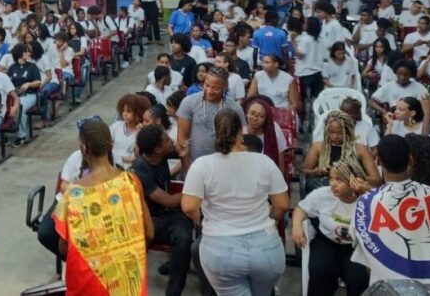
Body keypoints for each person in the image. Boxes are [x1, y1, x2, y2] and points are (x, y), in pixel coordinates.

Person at [181, 108, 289, 296]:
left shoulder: (202, 165)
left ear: (215, 132)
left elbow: (189, 206)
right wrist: (268, 220)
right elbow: (282, 204)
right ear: (242, 131)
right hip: (266, 248)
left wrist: (200, 220)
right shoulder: (263, 162)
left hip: (221, 251)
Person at [350, 135, 430, 293]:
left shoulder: (367, 201)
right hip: (429, 288)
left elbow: (365, 249)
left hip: (387, 288)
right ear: (410, 160)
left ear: (378, 161)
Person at [54, 119, 153, 296]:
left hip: (90, 283)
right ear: (110, 145)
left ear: (84, 148)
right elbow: (149, 233)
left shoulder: (73, 195)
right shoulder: (131, 182)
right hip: (129, 281)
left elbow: (63, 248)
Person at [291, 157, 369, 296]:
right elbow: (301, 209)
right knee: (320, 273)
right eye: (331, 178)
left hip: (356, 247)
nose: (332, 184)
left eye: (339, 180)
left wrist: (367, 191)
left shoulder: (368, 200)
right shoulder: (323, 194)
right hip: (327, 242)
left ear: (354, 181)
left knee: (359, 280)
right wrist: (296, 227)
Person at [132, 124, 192, 296]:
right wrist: (192, 191)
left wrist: (184, 156)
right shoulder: (140, 170)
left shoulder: (161, 153)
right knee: (183, 237)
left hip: (167, 213)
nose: (171, 141)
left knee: (187, 230)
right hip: (148, 219)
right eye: (167, 140)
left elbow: (188, 173)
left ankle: (175, 275)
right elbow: (171, 201)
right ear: (158, 149)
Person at [176, 65, 246, 170]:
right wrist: (187, 168)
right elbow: (182, 140)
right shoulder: (189, 102)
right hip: (194, 165)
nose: (209, 91)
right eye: (206, 85)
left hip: (224, 166)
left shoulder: (234, 108)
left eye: (215, 88)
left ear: (225, 87)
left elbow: (241, 137)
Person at [301, 110, 380, 194]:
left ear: (348, 131)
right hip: (326, 191)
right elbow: (304, 173)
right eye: (331, 132)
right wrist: (318, 172)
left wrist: (351, 177)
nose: (334, 136)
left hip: (352, 193)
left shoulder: (360, 149)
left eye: (339, 133)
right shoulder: (318, 147)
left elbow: (377, 180)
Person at [243, 97, 288, 174]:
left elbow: (280, 166)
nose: (255, 118)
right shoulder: (240, 133)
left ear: (266, 119)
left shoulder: (274, 131)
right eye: (252, 113)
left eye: (261, 116)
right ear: (247, 114)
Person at [110, 93, 151, 166]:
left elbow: (141, 157)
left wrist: (138, 134)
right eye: (123, 110)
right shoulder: (116, 126)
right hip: (113, 167)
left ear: (138, 113)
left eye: (128, 111)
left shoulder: (143, 131)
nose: (124, 114)